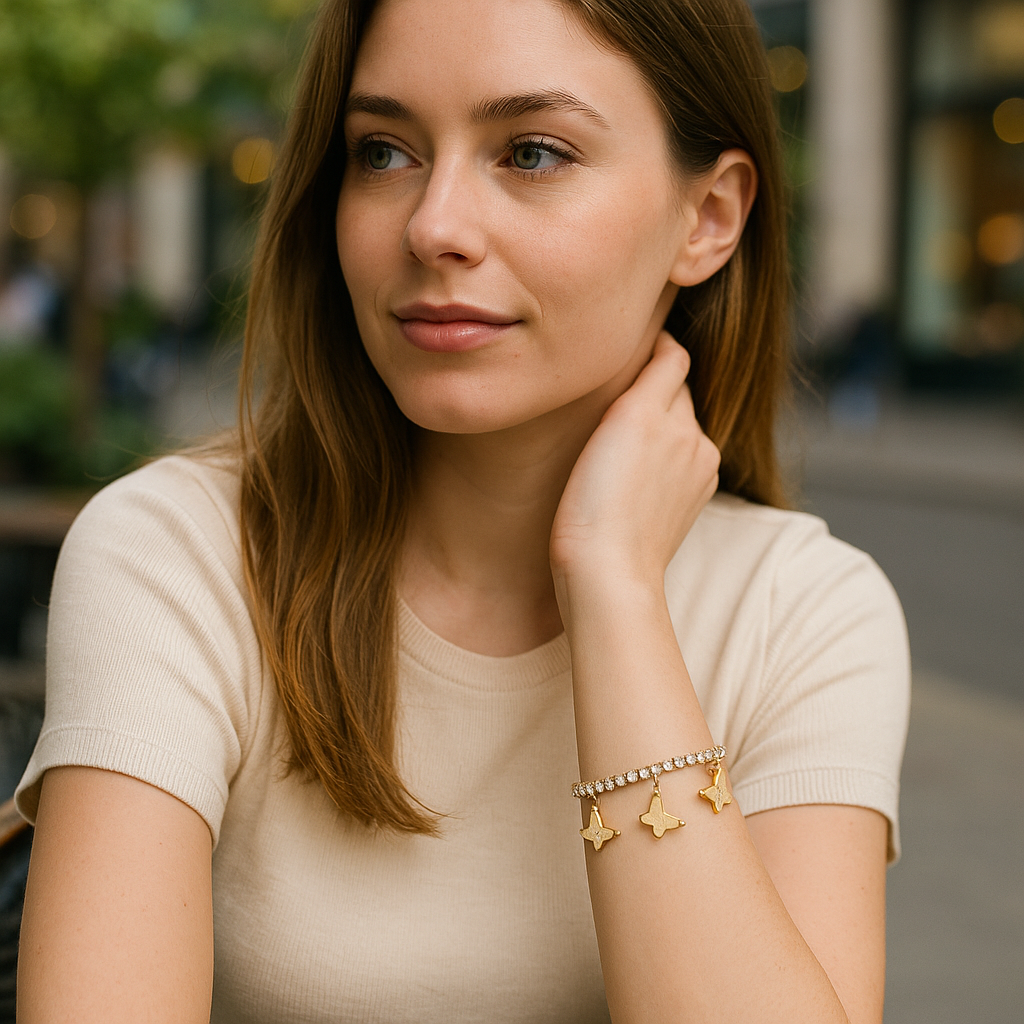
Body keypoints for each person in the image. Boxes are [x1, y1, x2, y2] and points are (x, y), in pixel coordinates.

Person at [14, 0, 910, 1021]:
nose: (433, 225)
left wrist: (614, 592)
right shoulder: (181, 554)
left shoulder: (804, 613)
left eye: (531, 152)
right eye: (384, 151)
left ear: (706, 218)